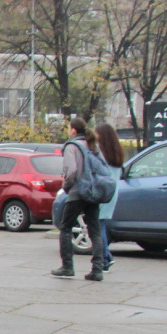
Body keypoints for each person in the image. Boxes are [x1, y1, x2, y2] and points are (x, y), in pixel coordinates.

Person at [50, 116, 104, 282]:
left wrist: (66, 187)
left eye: (69, 127)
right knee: (94, 230)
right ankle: (97, 269)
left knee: (65, 228)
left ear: (73, 130)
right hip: (93, 192)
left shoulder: (71, 146)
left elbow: (71, 171)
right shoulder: (93, 145)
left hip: (77, 192)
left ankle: (67, 266)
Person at [93, 123, 126, 272]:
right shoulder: (117, 152)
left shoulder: (100, 152)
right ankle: (106, 257)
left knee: (98, 228)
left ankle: (105, 259)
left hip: (100, 193)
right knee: (101, 226)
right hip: (112, 193)